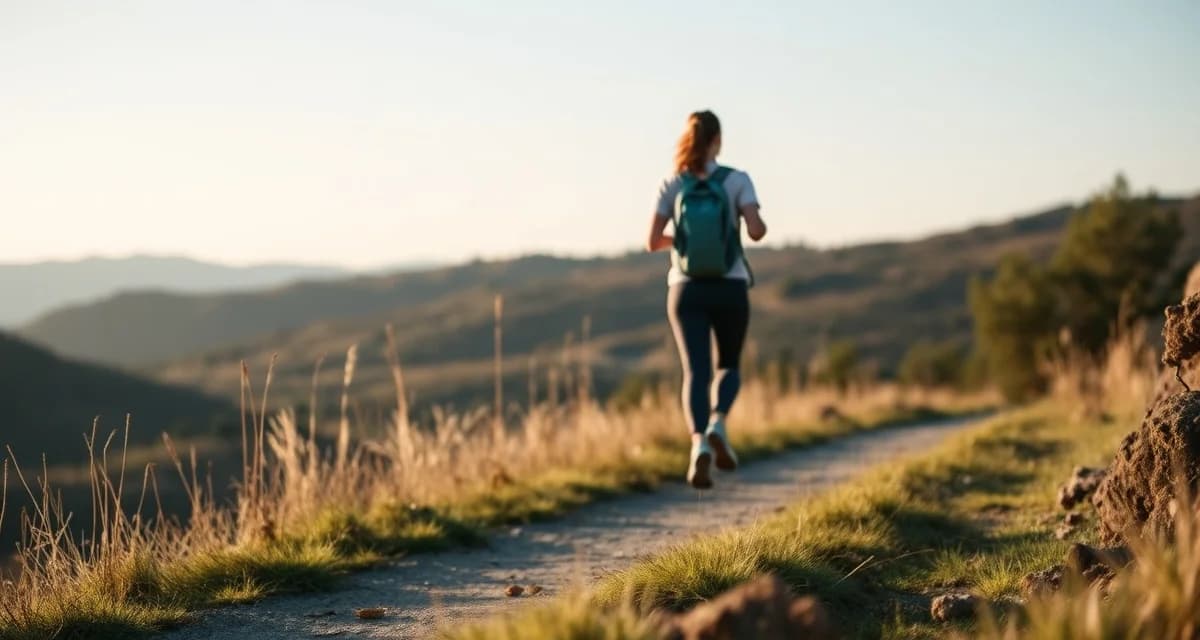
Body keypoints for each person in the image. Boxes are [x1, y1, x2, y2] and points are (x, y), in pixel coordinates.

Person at [646, 110, 767, 489]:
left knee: (695, 371)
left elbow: (652, 241)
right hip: (729, 285)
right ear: (718, 140)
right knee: (728, 364)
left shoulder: (672, 183)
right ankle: (718, 422)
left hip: (685, 288)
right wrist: (736, 227)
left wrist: (682, 241)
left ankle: (698, 443)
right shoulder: (737, 180)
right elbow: (757, 231)